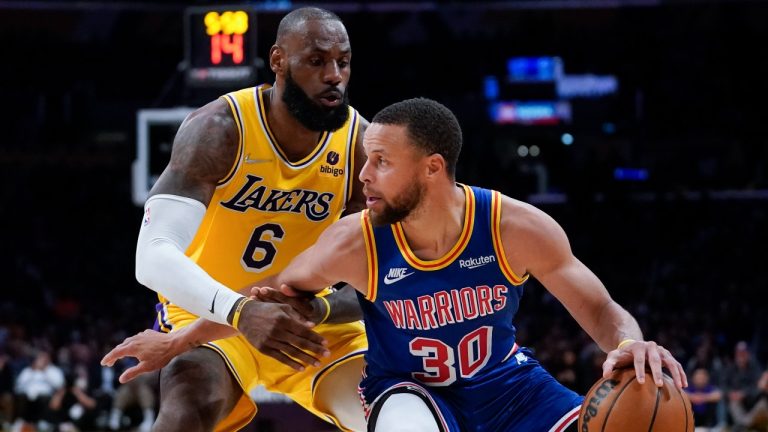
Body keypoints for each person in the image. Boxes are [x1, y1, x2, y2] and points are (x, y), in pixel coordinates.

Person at [257, 97, 689, 431]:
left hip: (508, 387)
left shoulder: (514, 227)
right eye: (367, 159)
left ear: (432, 168)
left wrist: (629, 346)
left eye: (381, 161)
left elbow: (599, 310)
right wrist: (208, 324)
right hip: (410, 391)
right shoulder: (355, 241)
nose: (364, 174)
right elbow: (275, 295)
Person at [102, 7, 369, 431]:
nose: (334, 74)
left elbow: (379, 277)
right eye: (317, 61)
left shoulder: (360, 146)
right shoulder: (219, 129)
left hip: (307, 316)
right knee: (184, 414)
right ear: (279, 61)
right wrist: (241, 311)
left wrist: (316, 307)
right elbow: (151, 257)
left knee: (392, 415)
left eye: (343, 61)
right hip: (212, 311)